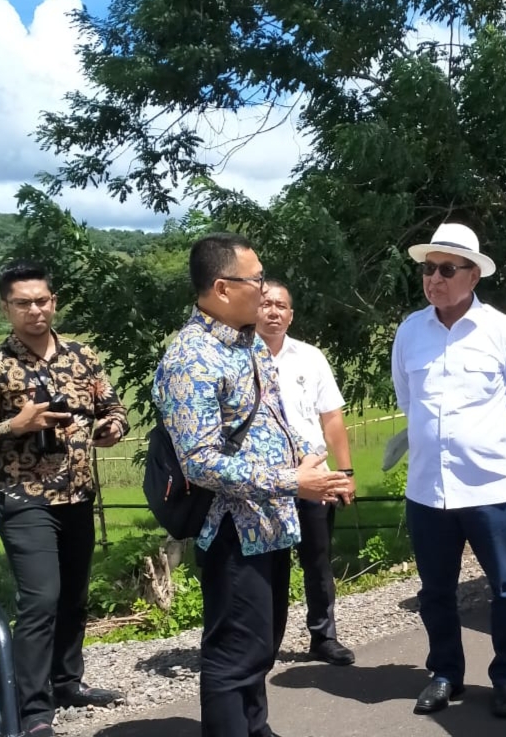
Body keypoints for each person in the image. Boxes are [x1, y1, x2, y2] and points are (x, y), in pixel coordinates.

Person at [152, 233, 351, 737]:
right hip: (231, 530)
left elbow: (270, 419)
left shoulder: (248, 345)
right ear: (222, 288)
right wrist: (291, 480)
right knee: (233, 655)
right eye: (256, 279)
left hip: (270, 520)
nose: (264, 290)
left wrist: (304, 458)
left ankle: (254, 726)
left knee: (261, 643)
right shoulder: (190, 360)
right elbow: (200, 462)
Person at [391, 222, 506, 718]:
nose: (434, 278)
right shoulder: (410, 332)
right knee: (435, 592)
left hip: (489, 486)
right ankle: (445, 674)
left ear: (473, 275)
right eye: (428, 268)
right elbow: (408, 401)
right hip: (427, 489)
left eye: (447, 269)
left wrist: (485, 444)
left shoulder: (505, 333)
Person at [0, 261, 129, 737]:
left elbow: (113, 405)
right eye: (23, 303)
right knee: (41, 601)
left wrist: (113, 426)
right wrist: (16, 425)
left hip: (77, 494)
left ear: (54, 301)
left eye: (42, 301)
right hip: (23, 497)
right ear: (6, 308)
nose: (35, 310)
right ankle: (33, 711)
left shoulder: (82, 354)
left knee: (73, 596)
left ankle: (67, 682)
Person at [256, 280, 356, 666]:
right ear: (254, 309)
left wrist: (345, 472)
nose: (273, 312)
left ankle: (324, 637)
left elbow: (331, 417)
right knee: (270, 564)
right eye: (266, 303)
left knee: (318, 559)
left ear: (291, 315)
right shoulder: (240, 356)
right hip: (267, 482)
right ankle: (265, 644)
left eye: (281, 306)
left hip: (315, 478)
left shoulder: (310, 357)